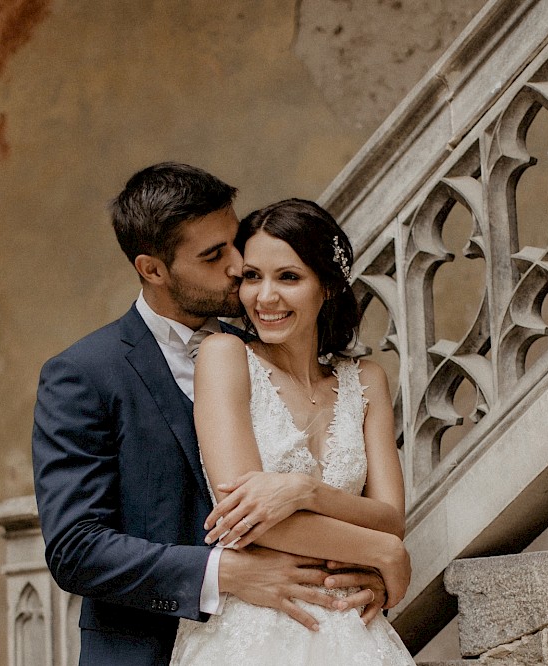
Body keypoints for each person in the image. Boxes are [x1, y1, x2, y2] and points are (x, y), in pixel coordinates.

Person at [32, 163, 388, 666]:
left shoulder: (268, 349)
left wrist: (364, 567)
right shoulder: (84, 374)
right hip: (148, 650)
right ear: (152, 269)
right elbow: (76, 549)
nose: (237, 264)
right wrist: (224, 573)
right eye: (213, 254)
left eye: (233, 241)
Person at [169, 198, 416, 665]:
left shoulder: (366, 380)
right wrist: (384, 552)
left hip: (352, 627)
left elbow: (390, 517)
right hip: (253, 628)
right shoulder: (224, 357)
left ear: (327, 286)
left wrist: (306, 492)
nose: (265, 297)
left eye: (288, 277)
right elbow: (242, 520)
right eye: (251, 277)